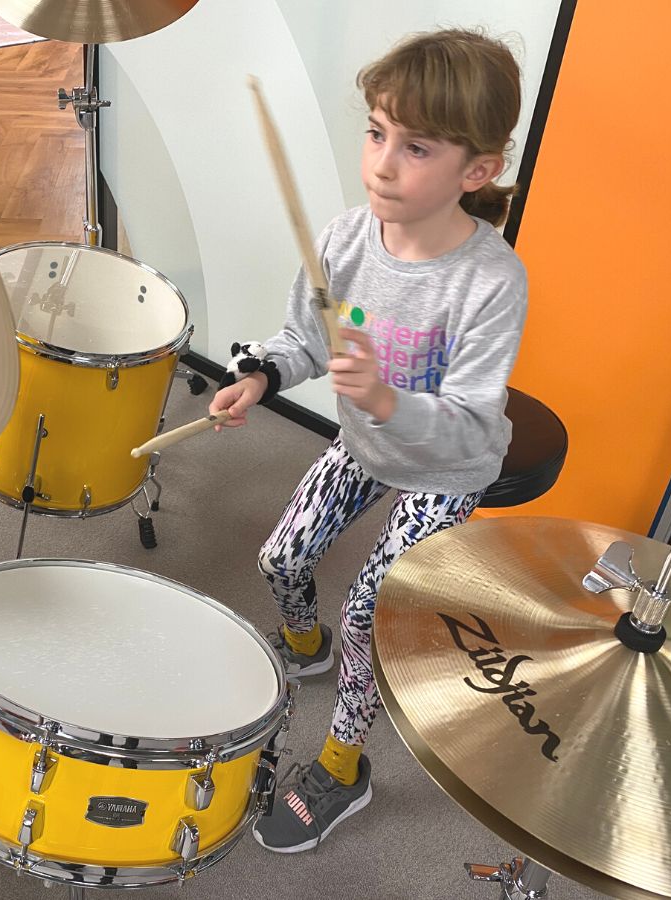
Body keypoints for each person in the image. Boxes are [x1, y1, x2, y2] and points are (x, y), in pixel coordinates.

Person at [208, 28, 528, 854]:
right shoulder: (348, 242)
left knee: (366, 619)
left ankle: (345, 763)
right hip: (366, 445)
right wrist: (262, 378)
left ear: (477, 170)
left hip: (446, 469)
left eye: (416, 146)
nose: (383, 162)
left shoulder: (490, 282)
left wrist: (386, 395)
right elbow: (309, 340)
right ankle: (302, 649)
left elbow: (465, 414)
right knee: (280, 559)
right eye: (377, 132)